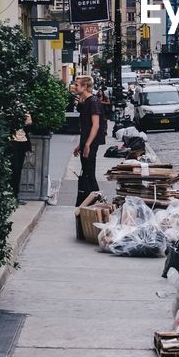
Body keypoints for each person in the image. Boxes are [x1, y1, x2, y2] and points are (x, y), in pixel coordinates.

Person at [73, 76, 107, 239]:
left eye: (77, 84)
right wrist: (81, 144)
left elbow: (96, 125)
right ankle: (89, 206)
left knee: (90, 174)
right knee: (86, 173)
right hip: (86, 141)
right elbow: (85, 126)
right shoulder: (86, 102)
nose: (74, 86)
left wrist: (87, 144)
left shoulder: (93, 102)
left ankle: (97, 203)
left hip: (91, 143)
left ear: (86, 86)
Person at [7, 112, 33, 202]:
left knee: (18, 170)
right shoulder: (8, 109)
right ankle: (11, 195)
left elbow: (29, 123)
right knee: (14, 168)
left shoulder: (24, 109)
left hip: (22, 142)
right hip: (11, 141)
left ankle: (15, 195)